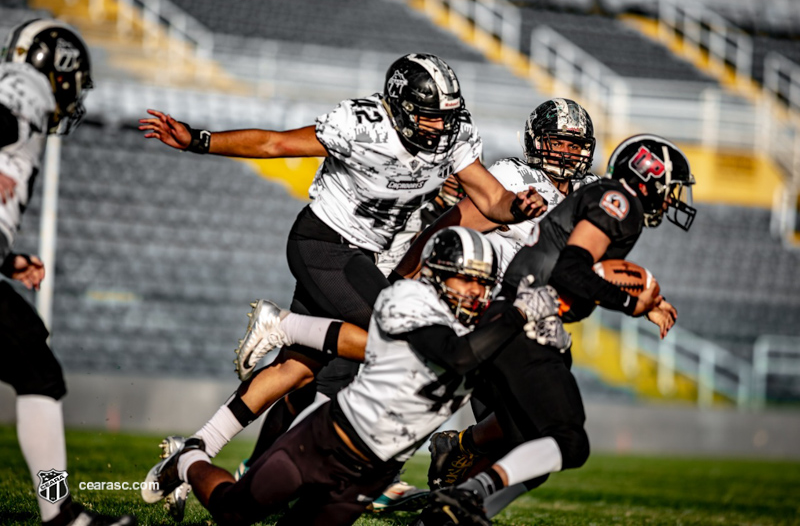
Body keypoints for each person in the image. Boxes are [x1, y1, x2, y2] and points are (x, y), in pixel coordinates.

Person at [139, 52, 546, 517]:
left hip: (362, 255)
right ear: (398, 106)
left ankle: (192, 451)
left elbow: (493, 199)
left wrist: (519, 207)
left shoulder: (452, 138)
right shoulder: (361, 124)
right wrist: (199, 140)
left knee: (297, 371)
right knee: (400, 340)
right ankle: (284, 325)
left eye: (445, 118)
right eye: (429, 116)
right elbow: (274, 143)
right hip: (322, 244)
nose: (438, 128)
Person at [140, 227, 562, 526]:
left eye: (482, 283)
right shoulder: (409, 300)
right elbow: (456, 355)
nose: (474, 291)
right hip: (326, 441)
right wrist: (521, 315)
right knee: (234, 512)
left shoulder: (486, 328)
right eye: (464, 279)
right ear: (436, 273)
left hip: (376, 469)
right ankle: (189, 458)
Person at [415, 133, 696, 525]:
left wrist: (647, 301)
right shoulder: (620, 203)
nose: (672, 199)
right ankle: (465, 497)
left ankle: (456, 511)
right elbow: (571, 270)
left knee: (533, 451)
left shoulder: (606, 196)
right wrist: (632, 303)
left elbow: (587, 271)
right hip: (525, 325)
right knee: (568, 441)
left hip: (512, 320)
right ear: (648, 174)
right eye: (670, 188)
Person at [0, 19, 136, 526]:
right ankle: (58, 514)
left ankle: (59, 512)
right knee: (38, 374)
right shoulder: (25, 89)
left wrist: (9, 259)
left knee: (35, 365)